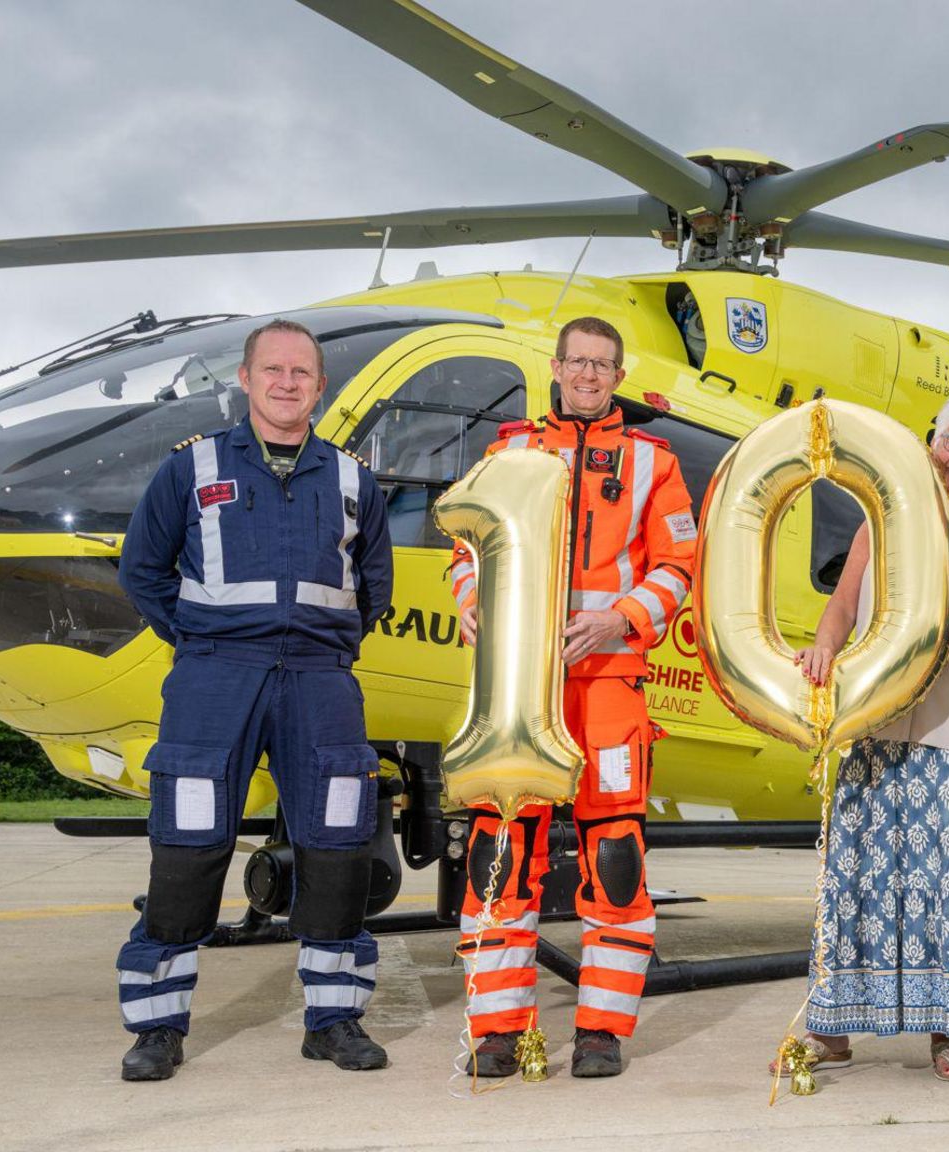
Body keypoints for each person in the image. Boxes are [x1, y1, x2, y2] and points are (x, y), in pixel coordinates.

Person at [114, 318, 394, 1081]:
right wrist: (206, 642)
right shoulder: (190, 468)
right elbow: (143, 571)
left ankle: (334, 1019)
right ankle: (158, 1028)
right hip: (216, 677)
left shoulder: (351, 478)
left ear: (319, 386)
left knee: (338, 846)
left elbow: (373, 586)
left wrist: (321, 647)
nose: (286, 383)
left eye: (301, 372)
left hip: (319, 681)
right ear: (246, 379)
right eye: (272, 370)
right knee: (187, 847)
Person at [447, 316, 697, 1079]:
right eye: (577, 362)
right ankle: (498, 1033)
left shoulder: (655, 463)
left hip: (610, 682)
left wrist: (618, 618)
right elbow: (465, 546)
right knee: (499, 847)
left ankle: (601, 1032)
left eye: (603, 364)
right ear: (555, 367)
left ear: (618, 375)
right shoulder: (509, 451)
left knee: (615, 856)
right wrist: (468, 596)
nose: (589, 375)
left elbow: (680, 564)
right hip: (518, 684)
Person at [787, 390, 949, 1081]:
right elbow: (841, 605)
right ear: (931, 445)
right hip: (876, 731)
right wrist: (822, 653)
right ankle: (833, 1032)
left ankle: (945, 1035)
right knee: (857, 885)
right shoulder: (881, 522)